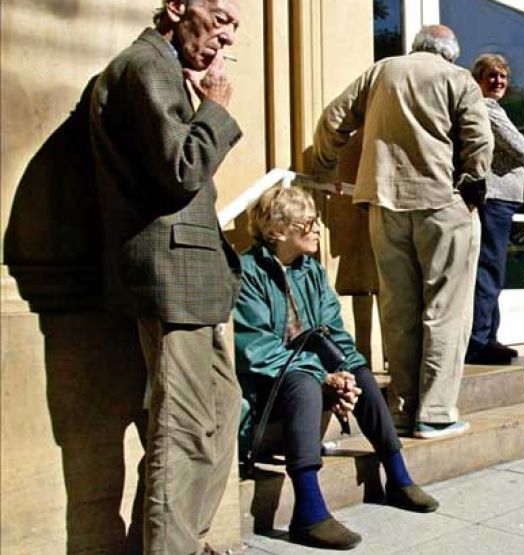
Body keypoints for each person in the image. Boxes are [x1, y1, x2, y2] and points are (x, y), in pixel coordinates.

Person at [89, 2, 243, 553]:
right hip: (171, 277)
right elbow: (181, 169)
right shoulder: (146, 66)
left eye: (234, 28)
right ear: (177, 7)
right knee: (181, 434)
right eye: (220, 17)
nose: (226, 38)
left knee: (221, 417)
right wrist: (216, 109)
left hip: (194, 280)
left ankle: (184, 539)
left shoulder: (166, 69)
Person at [312, 25, 493, 438]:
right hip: (442, 202)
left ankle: (402, 407)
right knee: (445, 310)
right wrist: (473, 183)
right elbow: (478, 140)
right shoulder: (457, 77)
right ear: (449, 52)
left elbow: (333, 119)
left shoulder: (382, 71)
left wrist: (324, 164)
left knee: (397, 310)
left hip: (384, 202)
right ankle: (436, 412)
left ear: (417, 46)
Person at [234, 186, 438, 550]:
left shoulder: (310, 270)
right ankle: (308, 513)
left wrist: (345, 377)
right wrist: (323, 376)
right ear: (278, 230)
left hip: (307, 379)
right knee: (302, 381)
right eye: (308, 222)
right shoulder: (247, 272)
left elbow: (333, 333)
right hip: (266, 390)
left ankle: (397, 474)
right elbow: (256, 350)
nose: (317, 229)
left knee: (360, 372)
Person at [466, 53, 524, 365]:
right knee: (489, 270)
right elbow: (521, 149)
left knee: (491, 269)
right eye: (492, 76)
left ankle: (487, 336)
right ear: (478, 78)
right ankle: (479, 341)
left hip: (497, 200)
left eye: (503, 77)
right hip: (494, 199)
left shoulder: (490, 107)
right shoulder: (488, 107)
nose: (499, 82)